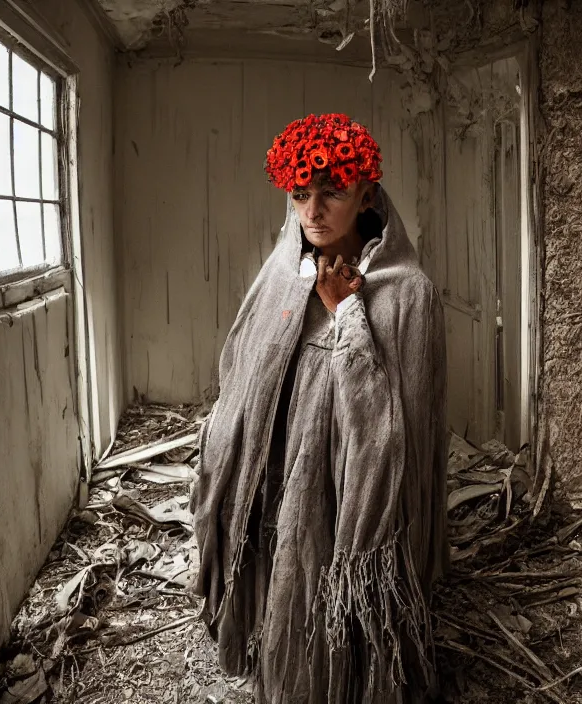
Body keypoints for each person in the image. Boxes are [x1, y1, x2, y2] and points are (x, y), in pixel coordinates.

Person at [189, 113, 448, 703]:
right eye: (301, 194)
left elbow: (395, 429)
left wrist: (345, 312)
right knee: (284, 567)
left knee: (321, 575)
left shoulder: (406, 292)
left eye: (332, 192)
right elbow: (243, 368)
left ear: (366, 194)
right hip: (280, 469)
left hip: (342, 489)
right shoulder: (282, 274)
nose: (314, 211)